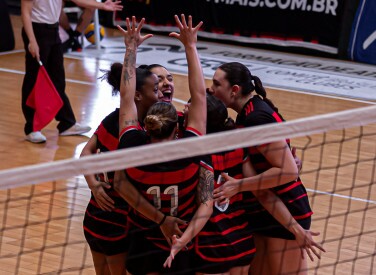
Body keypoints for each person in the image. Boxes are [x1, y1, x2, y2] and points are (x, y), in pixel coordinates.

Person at [113, 15, 213, 274]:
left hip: (143, 238)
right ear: (178, 127)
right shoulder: (191, 148)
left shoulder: (132, 146)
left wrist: (131, 49)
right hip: (181, 239)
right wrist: (191, 46)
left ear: (145, 125)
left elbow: (126, 96)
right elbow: (200, 96)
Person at [210, 62, 324, 275]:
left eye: (217, 84)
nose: (211, 89)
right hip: (265, 208)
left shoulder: (256, 118)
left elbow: (288, 171)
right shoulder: (248, 113)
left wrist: (240, 185)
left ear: (234, 90)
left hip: (287, 210)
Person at [80, 64, 163, 275]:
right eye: (155, 89)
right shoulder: (137, 133)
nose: (160, 93)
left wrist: (94, 186)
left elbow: (86, 153)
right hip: (115, 220)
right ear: (137, 95)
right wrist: (95, 186)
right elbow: (85, 155)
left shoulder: (112, 119)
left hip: (93, 216)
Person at [21, 0, 121, 143]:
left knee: (58, 80)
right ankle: (31, 128)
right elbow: (25, 12)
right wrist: (32, 41)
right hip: (36, 32)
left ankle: (66, 124)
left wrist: (102, 6)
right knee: (33, 79)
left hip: (53, 31)